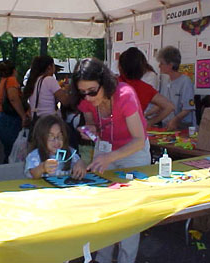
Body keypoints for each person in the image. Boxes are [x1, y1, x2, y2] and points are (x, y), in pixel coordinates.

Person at [72, 57, 151, 263]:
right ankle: (102, 258)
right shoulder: (87, 98)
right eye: (83, 92)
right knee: (103, 206)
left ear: (104, 83)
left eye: (92, 91)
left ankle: (126, 260)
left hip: (133, 152)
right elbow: (91, 122)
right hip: (106, 149)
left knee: (129, 213)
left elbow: (139, 140)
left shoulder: (125, 95)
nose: (88, 97)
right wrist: (90, 129)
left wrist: (111, 157)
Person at [118, 47, 174, 126]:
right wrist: (149, 122)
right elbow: (170, 106)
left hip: (112, 132)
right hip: (135, 131)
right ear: (142, 68)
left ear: (120, 66)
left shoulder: (112, 83)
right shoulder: (145, 88)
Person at [24, 115, 86, 179]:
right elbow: (33, 174)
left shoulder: (70, 152)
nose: (56, 141)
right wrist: (42, 168)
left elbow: (79, 161)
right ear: (41, 138)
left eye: (59, 136)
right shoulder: (35, 155)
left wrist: (81, 164)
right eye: (51, 136)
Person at [0, 60, 29, 162]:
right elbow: (13, 98)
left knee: (8, 152)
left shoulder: (2, 82)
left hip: (2, 119)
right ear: (14, 71)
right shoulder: (11, 81)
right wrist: (23, 116)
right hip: (11, 120)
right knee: (14, 153)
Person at [156, 46, 196, 130]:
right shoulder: (165, 80)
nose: (159, 66)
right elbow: (161, 104)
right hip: (167, 125)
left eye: (162, 63)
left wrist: (175, 120)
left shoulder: (185, 81)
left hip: (183, 126)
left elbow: (187, 109)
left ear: (170, 65)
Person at [23, 56, 70, 120]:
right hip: (50, 119)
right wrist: (67, 90)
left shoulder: (33, 80)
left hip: (36, 119)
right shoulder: (49, 80)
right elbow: (65, 101)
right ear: (49, 67)